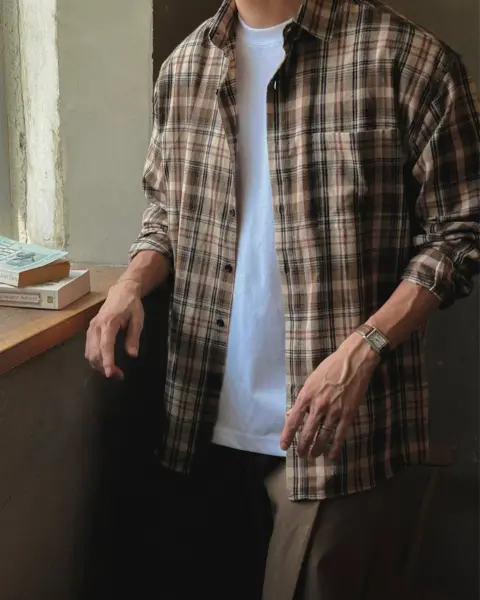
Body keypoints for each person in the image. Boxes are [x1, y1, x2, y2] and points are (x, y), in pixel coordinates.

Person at [85, 0, 480, 598]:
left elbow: (461, 230)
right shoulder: (184, 67)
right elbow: (166, 212)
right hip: (202, 424)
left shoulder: (408, 57)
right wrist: (131, 282)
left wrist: (364, 348)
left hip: (341, 435)